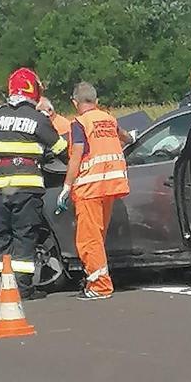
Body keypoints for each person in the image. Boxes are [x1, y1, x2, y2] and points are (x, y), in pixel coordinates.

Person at [0, 67, 68, 303]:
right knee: (24, 237)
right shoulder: (37, 118)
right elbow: (61, 149)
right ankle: (24, 288)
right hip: (26, 187)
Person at [57, 82, 133, 301]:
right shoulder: (108, 118)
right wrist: (134, 139)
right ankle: (96, 280)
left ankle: (100, 286)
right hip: (111, 185)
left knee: (88, 240)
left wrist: (66, 186)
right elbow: (124, 136)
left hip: (89, 188)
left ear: (75, 103)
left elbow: (76, 156)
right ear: (96, 101)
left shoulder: (79, 123)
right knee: (97, 237)